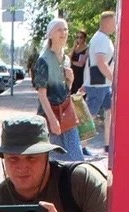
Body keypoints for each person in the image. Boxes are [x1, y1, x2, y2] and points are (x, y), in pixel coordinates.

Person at [33, 18, 83, 163]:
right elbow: (42, 95)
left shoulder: (67, 59)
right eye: (59, 29)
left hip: (66, 115)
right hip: (51, 116)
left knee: (76, 159)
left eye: (66, 29)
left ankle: (74, 184)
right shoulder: (43, 60)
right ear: (50, 35)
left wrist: (71, 80)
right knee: (55, 160)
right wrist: (53, 120)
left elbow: (66, 90)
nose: (64, 33)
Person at [84, 10, 116, 154]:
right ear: (108, 23)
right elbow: (101, 63)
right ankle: (81, 146)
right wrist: (114, 79)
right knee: (91, 115)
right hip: (100, 84)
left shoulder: (101, 38)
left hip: (103, 84)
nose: (116, 25)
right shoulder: (102, 40)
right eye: (114, 22)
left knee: (109, 112)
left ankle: (108, 145)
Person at [70, 29, 89, 94]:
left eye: (81, 37)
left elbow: (81, 64)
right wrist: (73, 47)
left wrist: (72, 62)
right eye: (77, 37)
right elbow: (69, 58)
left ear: (84, 38)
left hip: (80, 75)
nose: (79, 39)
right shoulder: (76, 47)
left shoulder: (87, 48)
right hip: (72, 74)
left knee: (79, 96)